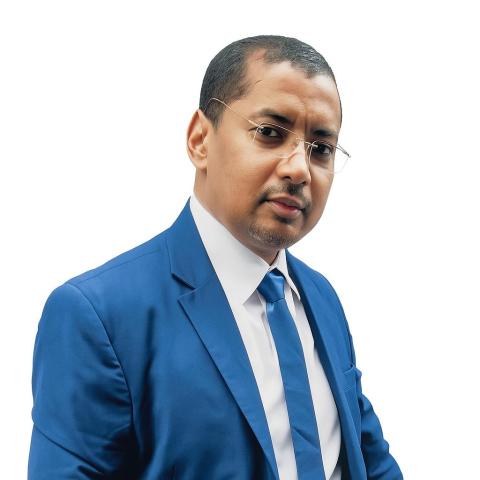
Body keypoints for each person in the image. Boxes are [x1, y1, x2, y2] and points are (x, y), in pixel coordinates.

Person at [28, 35, 403, 479]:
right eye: (270, 133)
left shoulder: (320, 298)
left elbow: (368, 461)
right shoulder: (99, 316)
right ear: (200, 139)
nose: (299, 169)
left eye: (320, 149)